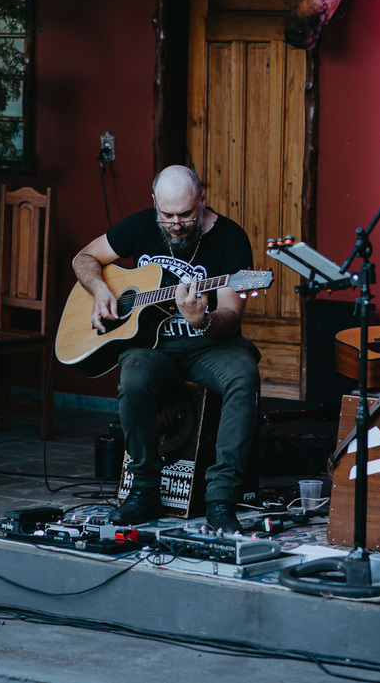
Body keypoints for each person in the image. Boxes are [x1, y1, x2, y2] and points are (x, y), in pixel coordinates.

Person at [72, 165, 261, 533]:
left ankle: (221, 497)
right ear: (154, 202)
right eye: (168, 215)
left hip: (209, 345)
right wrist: (100, 291)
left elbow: (231, 316)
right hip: (152, 347)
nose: (176, 224)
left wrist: (201, 320)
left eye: (187, 215)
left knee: (244, 375)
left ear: (202, 201)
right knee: (134, 378)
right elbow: (83, 258)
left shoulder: (230, 239)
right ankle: (143, 489)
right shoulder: (141, 225)